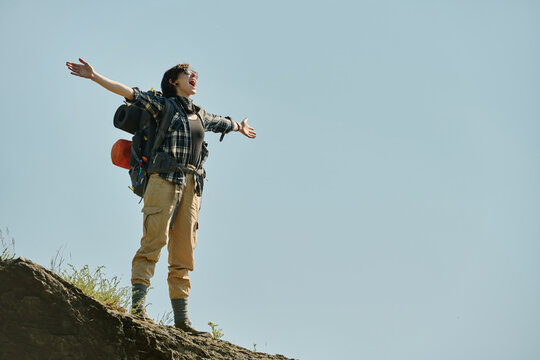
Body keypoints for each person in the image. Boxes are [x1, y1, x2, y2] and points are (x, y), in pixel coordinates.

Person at [66, 58, 256, 336]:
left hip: (192, 185)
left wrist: (239, 126)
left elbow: (222, 123)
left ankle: (182, 321)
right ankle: (139, 308)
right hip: (163, 180)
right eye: (188, 73)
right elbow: (130, 93)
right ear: (173, 81)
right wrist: (95, 76)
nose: (194, 77)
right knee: (153, 241)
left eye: (196, 74)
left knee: (183, 253)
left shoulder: (201, 115)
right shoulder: (163, 106)